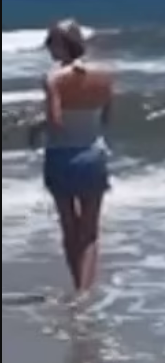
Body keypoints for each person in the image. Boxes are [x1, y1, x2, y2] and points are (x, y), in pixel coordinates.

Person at [41, 18, 113, 296]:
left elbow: (56, 122)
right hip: (93, 153)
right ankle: (84, 292)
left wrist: (37, 127)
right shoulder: (104, 76)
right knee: (90, 231)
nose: (48, 48)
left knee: (69, 227)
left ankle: (78, 288)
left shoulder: (53, 79)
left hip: (61, 156)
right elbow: (107, 118)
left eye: (51, 42)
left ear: (63, 44)